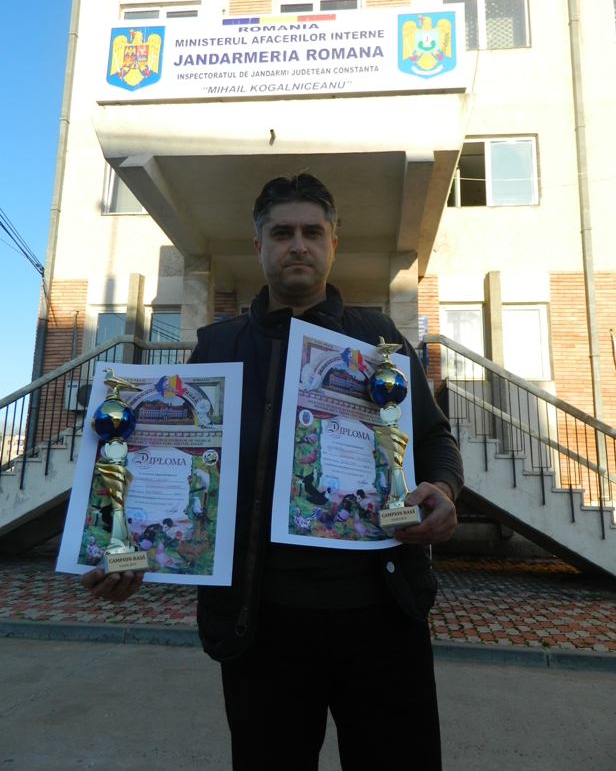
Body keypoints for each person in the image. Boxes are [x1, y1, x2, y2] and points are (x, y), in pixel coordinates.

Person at [81, 174, 464, 771]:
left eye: (313, 232)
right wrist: (124, 551)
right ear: (259, 245)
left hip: (383, 615)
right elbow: (161, 463)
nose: (298, 245)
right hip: (262, 623)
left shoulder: (380, 341)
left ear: (334, 243)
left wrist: (442, 489)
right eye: (282, 233)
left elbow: (435, 438)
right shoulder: (217, 350)